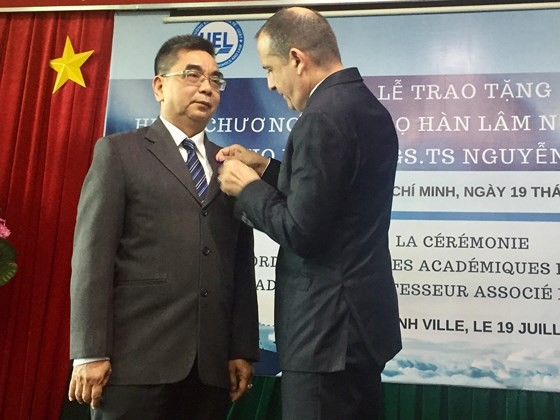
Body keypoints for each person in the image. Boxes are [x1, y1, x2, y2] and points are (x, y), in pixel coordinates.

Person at [217, 7, 401, 419]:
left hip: (325, 335)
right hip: (360, 330)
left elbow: (303, 230)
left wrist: (247, 189)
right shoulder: (365, 105)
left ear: (298, 59)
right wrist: (266, 169)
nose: (270, 82)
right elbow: (338, 197)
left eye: (271, 68)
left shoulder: (320, 118)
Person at [68, 34, 259, 419]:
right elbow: (92, 258)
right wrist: (89, 351)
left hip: (209, 370)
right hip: (133, 364)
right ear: (159, 85)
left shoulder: (231, 168)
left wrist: (241, 347)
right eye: (193, 75)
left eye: (215, 80)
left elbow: (240, 265)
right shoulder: (119, 153)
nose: (207, 87)